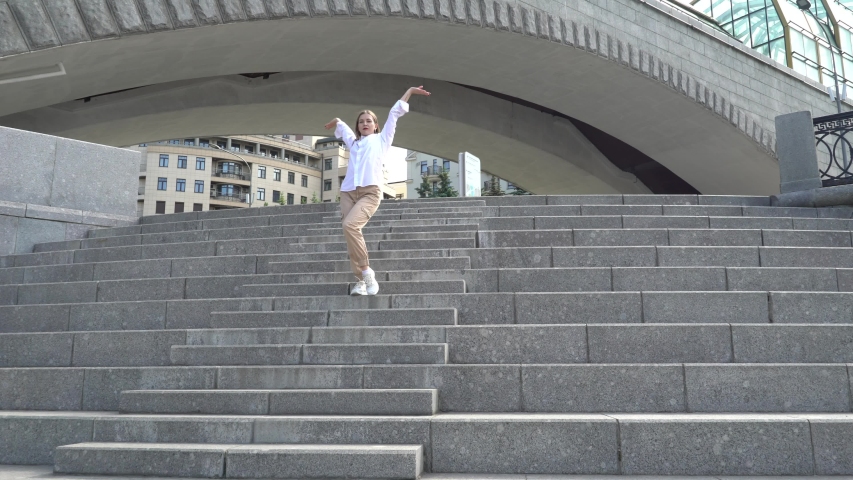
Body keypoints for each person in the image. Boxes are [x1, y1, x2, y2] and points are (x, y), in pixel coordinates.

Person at [325, 86, 431, 296]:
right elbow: (344, 129)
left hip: (370, 192)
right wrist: (336, 121)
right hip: (348, 192)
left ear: (375, 125)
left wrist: (409, 92)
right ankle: (360, 282)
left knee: (350, 225)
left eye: (368, 121)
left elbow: (394, 113)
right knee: (350, 233)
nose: (364, 124)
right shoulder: (354, 143)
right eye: (361, 121)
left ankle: (366, 272)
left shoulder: (383, 139)